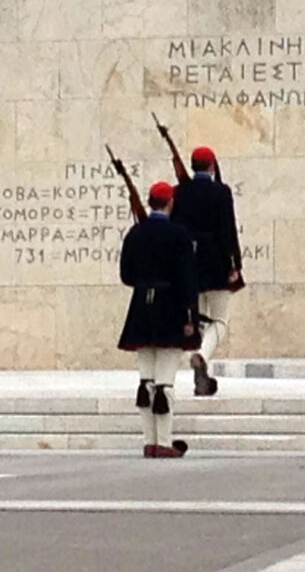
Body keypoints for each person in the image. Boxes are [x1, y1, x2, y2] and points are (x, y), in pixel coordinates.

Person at [118, 181, 199, 458]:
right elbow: (188, 279)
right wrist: (190, 315)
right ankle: (163, 442)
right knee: (164, 382)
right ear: (170, 203)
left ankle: (149, 441)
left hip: (141, 307)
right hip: (170, 308)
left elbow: (126, 275)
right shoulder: (179, 234)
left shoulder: (135, 233)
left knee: (146, 381)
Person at [170, 146, 244, 396]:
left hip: (189, 262)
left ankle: (200, 375)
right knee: (220, 320)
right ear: (212, 166)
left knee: (199, 321)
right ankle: (202, 355)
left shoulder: (178, 193)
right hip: (216, 261)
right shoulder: (220, 192)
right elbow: (228, 230)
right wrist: (234, 265)